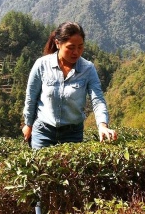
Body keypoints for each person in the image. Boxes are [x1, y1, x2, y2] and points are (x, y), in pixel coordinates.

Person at [22, 21, 117, 149]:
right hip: (43, 132)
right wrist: (28, 125)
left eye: (80, 47)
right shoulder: (42, 65)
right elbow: (31, 97)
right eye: (71, 47)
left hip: (72, 134)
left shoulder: (88, 69)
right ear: (57, 43)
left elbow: (97, 99)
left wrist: (102, 125)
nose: (76, 52)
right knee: (41, 168)